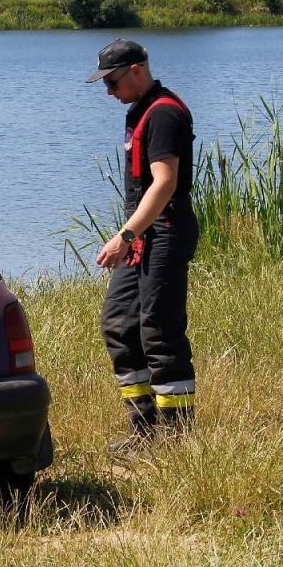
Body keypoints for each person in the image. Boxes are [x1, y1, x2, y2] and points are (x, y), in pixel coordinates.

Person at [88, 38, 198, 447]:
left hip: (165, 231)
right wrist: (131, 235)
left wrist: (125, 235)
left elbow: (165, 183)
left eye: (112, 82)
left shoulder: (164, 113)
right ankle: (144, 428)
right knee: (119, 323)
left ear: (136, 70)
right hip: (143, 233)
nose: (109, 92)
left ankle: (177, 436)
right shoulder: (139, 110)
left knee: (160, 328)